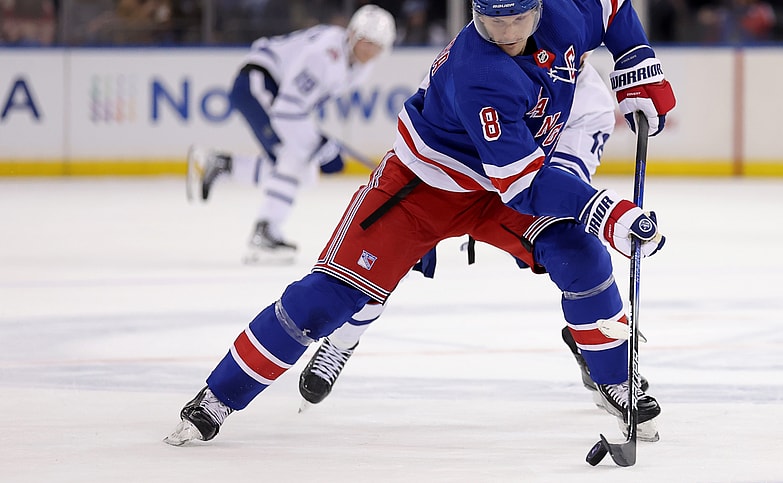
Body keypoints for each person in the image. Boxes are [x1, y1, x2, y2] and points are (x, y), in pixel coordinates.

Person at [165, 0, 676, 447]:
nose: (506, 33)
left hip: (501, 183)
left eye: (519, 18)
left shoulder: (570, 12)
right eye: (492, 21)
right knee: (327, 298)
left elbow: (612, 7)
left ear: (542, 7)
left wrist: (636, 61)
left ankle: (617, 382)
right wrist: (607, 211)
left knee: (580, 254)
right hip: (423, 188)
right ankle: (219, 396)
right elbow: (524, 185)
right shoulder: (482, 71)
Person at [295, 58, 651, 414]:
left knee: (576, 253)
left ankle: (595, 348)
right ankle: (343, 339)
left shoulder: (591, 102)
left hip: (514, 198)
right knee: (378, 265)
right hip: (443, 185)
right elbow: (431, 126)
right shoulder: (480, 56)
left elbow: (566, 178)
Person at [185, 4, 397, 263]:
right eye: (366, 42)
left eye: (377, 46)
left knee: (303, 172)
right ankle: (266, 230)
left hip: (278, 92)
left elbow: (297, 106)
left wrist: (319, 144)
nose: (370, 51)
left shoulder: (359, 67)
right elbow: (287, 110)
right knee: (293, 159)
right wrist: (319, 143)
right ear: (352, 34)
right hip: (258, 83)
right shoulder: (325, 55)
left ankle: (224, 166)